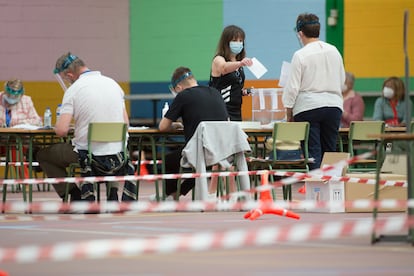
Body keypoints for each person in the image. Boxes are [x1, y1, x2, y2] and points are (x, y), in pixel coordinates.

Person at [36, 52, 136, 202]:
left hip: (89, 156)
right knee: (109, 146)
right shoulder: (113, 84)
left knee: (43, 155)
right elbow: (125, 124)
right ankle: (113, 191)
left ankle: (73, 194)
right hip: (119, 155)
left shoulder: (73, 90)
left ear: (69, 75)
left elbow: (62, 131)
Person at [282, 13, 345, 170]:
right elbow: (342, 80)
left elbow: (292, 88)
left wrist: (288, 113)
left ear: (300, 33)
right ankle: (331, 190)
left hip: (308, 107)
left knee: (313, 153)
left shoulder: (300, 55)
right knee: (329, 151)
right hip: (333, 106)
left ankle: (315, 191)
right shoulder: (334, 51)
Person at [159, 66, 229, 199]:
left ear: (178, 88)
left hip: (200, 152)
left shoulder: (183, 96)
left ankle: (170, 196)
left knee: (169, 160)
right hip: (222, 150)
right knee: (203, 166)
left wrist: (174, 126)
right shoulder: (215, 92)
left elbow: (163, 127)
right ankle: (178, 192)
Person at [209, 25, 253, 121]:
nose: (238, 43)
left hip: (236, 110)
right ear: (226, 42)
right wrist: (240, 63)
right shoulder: (219, 59)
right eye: (235, 41)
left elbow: (230, 86)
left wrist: (242, 91)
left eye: (241, 41)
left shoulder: (238, 64)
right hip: (221, 110)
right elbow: (224, 68)